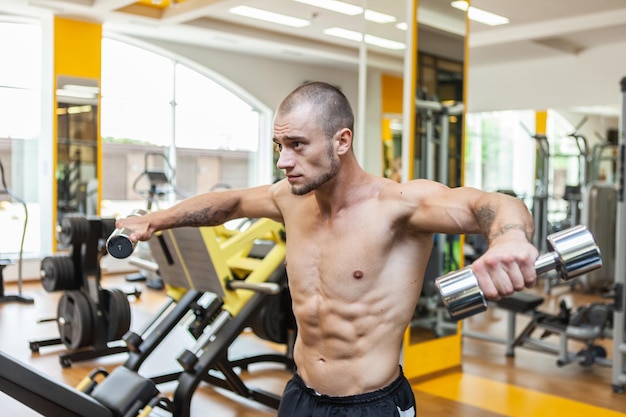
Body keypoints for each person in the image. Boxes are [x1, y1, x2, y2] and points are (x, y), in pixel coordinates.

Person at [115, 81, 538, 416]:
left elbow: (491, 204)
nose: (284, 160)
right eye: (281, 146)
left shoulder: (398, 206)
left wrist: (510, 237)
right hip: (300, 395)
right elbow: (230, 203)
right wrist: (154, 220)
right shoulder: (290, 199)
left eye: (298, 145)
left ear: (341, 141)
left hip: (369, 406)